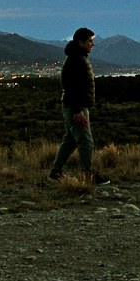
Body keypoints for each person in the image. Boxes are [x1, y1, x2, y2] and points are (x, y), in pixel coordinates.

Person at [49, 27, 110, 185]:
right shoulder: (76, 60)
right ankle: (88, 176)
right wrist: (77, 111)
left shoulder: (77, 58)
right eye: (90, 41)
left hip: (74, 106)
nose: (92, 44)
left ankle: (55, 172)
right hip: (76, 107)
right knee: (86, 142)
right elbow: (71, 87)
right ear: (80, 42)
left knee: (70, 140)